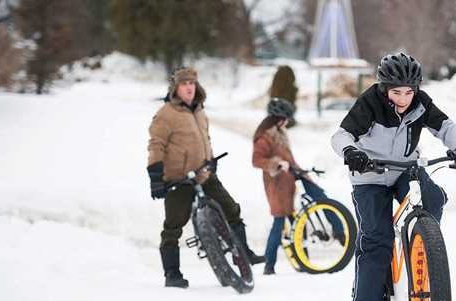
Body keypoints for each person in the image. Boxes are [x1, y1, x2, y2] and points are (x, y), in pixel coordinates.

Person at [330, 52, 456, 301]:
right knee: (377, 238)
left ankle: (422, 244)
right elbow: (341, 136)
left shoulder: (421, 104)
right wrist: (352, 152)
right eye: (396, 92)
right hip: (369, 176)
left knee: (433, 196)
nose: (403, 98)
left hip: (404, 170)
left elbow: (445, 126)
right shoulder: (369, 103)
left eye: (409, 92)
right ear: (384, 89)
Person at [147, 67, 265, 289]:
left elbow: (206, 140)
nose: (189, 87)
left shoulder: (200, 111)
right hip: (178, 179)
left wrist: (211, 161)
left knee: (232, 209)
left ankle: (244, 253)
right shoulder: (165, 114)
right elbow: (156, 145)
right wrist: (155, 176)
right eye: (184, 84)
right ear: (175, 89)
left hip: (204, 174)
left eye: (192, 83)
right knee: (173, 226)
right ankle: (172, 274)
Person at [252, 98, 344, 275]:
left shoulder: (280, 134)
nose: (287, 122)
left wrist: (305, 172)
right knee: (279, 222)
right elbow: (257, 160)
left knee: (298, 221)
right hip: (276, 184)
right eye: (286, 118)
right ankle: (269, 266)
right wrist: (277, 163)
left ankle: (305, 261)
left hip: (289, 181)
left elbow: (291, 161)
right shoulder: (265, 137)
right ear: (279, 118)